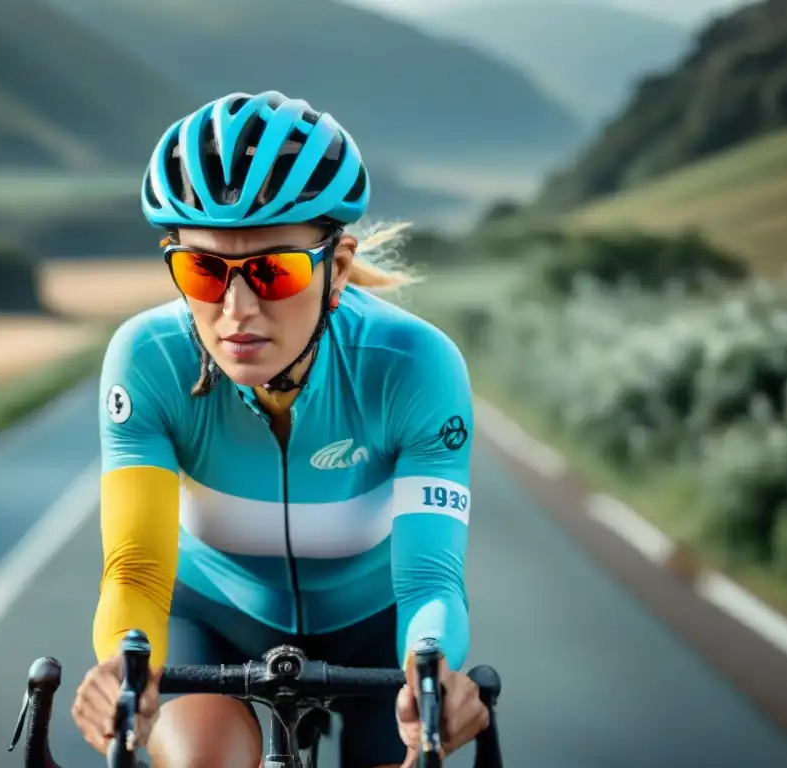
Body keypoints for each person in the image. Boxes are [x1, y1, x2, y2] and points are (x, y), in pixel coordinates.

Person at [70, 90, 487, 767]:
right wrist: (124, 665)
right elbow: (138, 571)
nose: (237, 309)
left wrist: (430, 671)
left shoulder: (413, 365)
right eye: (204, 270)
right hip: (210, 621)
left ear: (339, 267)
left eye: (272, 270)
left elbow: (430, 584)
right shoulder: (147, 360)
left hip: (375, 629)